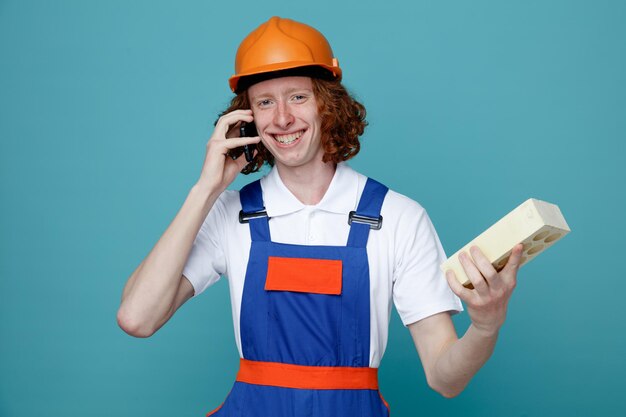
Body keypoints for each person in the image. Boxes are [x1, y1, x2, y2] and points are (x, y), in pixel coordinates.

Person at [117, 16, 524, 416]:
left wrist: (486, 326)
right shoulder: (231, 212)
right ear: (248, 119)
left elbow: (444, 378)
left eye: (297, 96)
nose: (281, 119)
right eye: (264, 102)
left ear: (328, 105)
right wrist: (205, 190)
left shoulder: (397, 217)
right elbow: (137, 318)